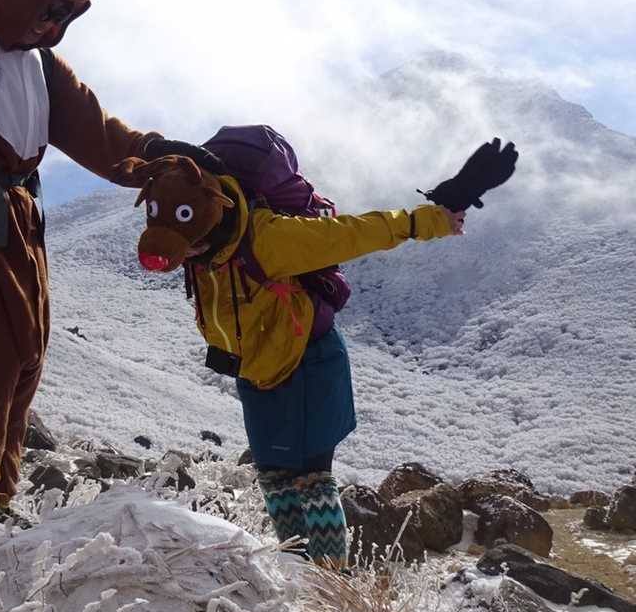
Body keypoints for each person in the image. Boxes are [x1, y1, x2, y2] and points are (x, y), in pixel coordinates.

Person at [0, 0, 212, 525]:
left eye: (64, 15)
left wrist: (154, 153)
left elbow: (96, 132)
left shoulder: (45, 65)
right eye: (49, 9)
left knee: (28, 353)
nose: (53, 23)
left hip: (21, 214)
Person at [114, 136, 518, 565]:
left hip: (308, 362)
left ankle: (326, 581)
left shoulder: (268, 239)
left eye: (192, 244)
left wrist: (434, 218)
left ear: (215, 210)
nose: (188, 254)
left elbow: (355, 233)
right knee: (273, 480)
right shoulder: (198, 244)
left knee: (312, 480)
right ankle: (295, 569)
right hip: (256, 371)